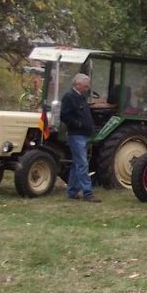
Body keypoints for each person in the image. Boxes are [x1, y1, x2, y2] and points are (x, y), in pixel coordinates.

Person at [61, 73, 101, 203]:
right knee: (82, 164)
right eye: (85, 86)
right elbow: (65, 115)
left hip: (84, 135)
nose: (87, 88)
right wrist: (78, 124)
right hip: (76, 135)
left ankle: (72, 192)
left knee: (77, 164)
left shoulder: (81, 97)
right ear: (77, 85)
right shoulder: (69, 97)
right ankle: (87, 193)